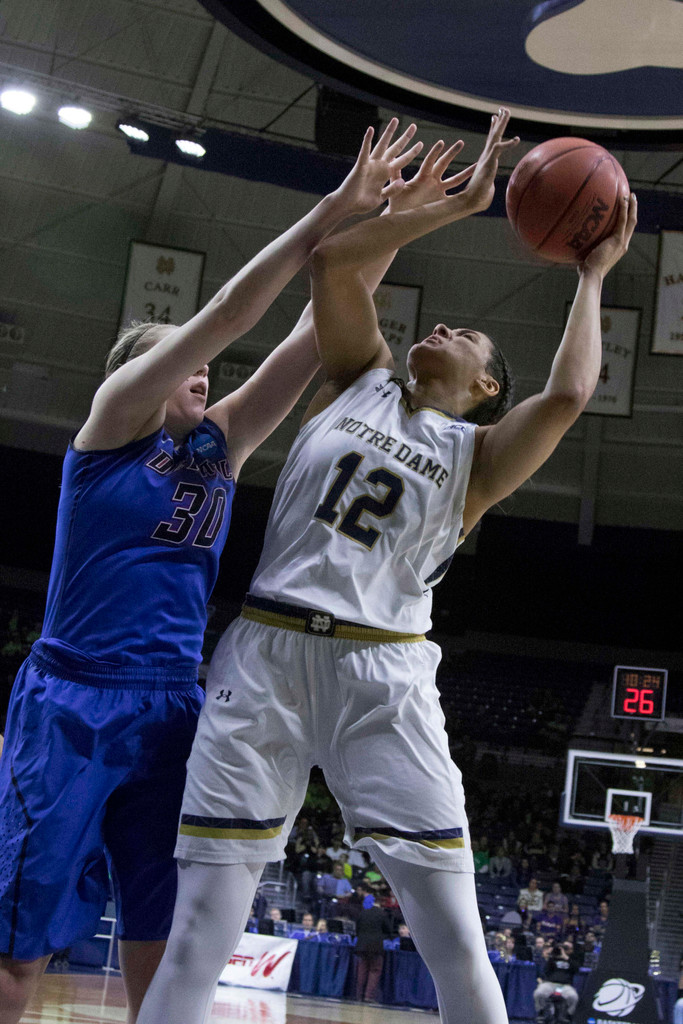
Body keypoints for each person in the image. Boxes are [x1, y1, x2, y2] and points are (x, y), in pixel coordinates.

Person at [137, 109, 636, 1024]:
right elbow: (334, 263)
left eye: (466, 338)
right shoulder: (356, 373)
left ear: (487, 387)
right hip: (267, 655)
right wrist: (455, 207)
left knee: (450, 932)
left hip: (384, 675)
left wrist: (592, 274)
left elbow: (569, 393)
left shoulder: (478, 457)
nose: (442, 325)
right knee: (202, 925)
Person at [0, 120, 422, 1024]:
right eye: (181, 362)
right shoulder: (109, 431)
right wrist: (332, 208)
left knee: (163, 950)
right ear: (144, 372)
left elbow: (316, 335)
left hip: (169, 705)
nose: (203, 373)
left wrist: (384, 223)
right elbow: (231, 311)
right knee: (14, 956)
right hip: (71, 701)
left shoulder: (219, 444)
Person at [354, 894, 392, 1002]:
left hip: (361, 946)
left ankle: (359, 995)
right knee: (374, 970)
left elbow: (357, 930)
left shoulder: (362, 913)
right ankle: (368, 996)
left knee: (362, 970)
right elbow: (388, 930)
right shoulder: (382, 914)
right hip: (376, 947)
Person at [534, 942, 580, 1023]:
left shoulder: (572, 959)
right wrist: (552, 957)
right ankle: (541, 1012)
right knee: (539, 993)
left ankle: (568, 1015)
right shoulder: (552, 960)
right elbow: (546, 970)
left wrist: (565, 957)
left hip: (565, 985)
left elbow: (576, 969)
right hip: (550, 984)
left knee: (573, 997)